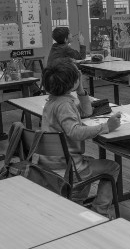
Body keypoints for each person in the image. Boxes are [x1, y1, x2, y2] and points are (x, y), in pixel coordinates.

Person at [39, 60, 121, 218]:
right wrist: (106, 127)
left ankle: (78, 199)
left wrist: (81, 90)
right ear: (72, 83)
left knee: (89, 160)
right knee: (113, 167)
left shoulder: (54, 101)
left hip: (51, 164)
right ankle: (100, 212)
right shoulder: (64, 105)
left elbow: (87, 112)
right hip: (70, 169)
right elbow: (74, 131)